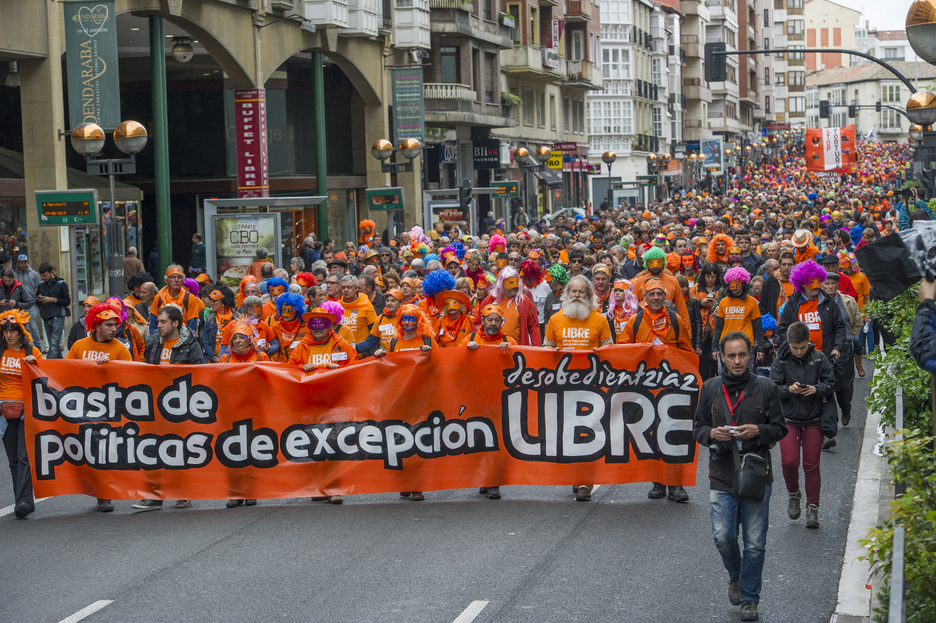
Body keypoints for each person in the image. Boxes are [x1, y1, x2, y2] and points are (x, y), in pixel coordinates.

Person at [693, 331, 787, 622]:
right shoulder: (710, 388)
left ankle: (750, 598)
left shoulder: (766, 386)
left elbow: (780, 428)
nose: (737, 361)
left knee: (755, 543)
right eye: (731, 355)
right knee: (723, 537)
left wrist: (758, 430)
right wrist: (711, 434)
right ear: (722, 357)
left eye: (742, 355)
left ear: (751, 355)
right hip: (722, 473)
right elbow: (697, 428)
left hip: (756, 474)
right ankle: (735, 575)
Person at [618, 278, 693, 503]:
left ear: (665, 296)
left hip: (672, 387)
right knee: (652, 434)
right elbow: (623, 350)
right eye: (652, 294)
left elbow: (687, 351)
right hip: (646, 389)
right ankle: (658, 482)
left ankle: (676, 485)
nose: (656, 298)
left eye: (660, 294)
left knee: (674, 434)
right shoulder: (635, 320)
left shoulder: (676, 320)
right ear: (645, 298)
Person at [133, 304, 204, 511]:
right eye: (158, 322)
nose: (158, 325)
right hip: (156, 405)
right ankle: (155, 497)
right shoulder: (154, 342)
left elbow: (199, 374)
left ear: (175, 323)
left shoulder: (191, 344)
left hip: (182, 405)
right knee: (153, 449)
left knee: (180, 449)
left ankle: (183, 492)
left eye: (163, 322)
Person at [769, 321, 837, 530]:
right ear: (788, 343)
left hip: (814, 419)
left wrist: (816, 389)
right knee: (789, 461)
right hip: (788, 419)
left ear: (809, 342)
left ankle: (813, 507)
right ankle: (793, 493)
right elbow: (772, 388)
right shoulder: (780, 360)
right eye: (794, 347)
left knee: (811, 465)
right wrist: (789, 389)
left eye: (802, 347)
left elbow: (832, 384)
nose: (798, 352)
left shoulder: (819, 358)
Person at [66, 303, 132, 513]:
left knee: (106, 449)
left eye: (115, 325)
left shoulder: (120, 349)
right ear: (96, 326)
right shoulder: (79, 347)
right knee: (90, 451)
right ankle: (98, 492)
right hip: (84, 408)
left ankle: (105, 495)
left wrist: (112, 369)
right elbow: (64, 372)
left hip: (111, 408)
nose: (114, 329)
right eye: (109, 325)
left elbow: (133, 378)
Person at [464, 304, 517, 500]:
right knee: (479, 440)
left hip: (500, 400)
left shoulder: (508, 340)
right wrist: (466, 351)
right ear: (483, 321)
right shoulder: (470, 339)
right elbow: (453, 362)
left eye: (497, 320)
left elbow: (520, 364)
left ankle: (494, 482)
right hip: (476, 399)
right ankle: (484, 478)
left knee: (497, 441)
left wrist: (510, 351)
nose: (493, 324)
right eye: (490, 320)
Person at [0, 309, 42, 518]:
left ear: (20, 332)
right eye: (5, 331)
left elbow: (47, 378)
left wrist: (35, 367)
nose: (9, 335)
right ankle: (23, 500)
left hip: (26, 412)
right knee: (13, 460)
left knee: (24, 456)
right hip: (3, 414)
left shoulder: (31, 351)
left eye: (13, 331)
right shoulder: (1, 352)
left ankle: (24, 501)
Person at [821, 272, 861, 430]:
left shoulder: (848, 302)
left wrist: (849, 338)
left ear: (838, 285)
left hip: (844, 348)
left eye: (833, 284)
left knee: (845, 384)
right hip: (823, 349)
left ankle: (846, 408)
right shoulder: (817, 302)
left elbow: (857, 322)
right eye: (827, 284)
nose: (830, 287)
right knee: (824, 385)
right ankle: (830, 421)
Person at [474, 267, 541, 346]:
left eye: (516, 282)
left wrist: (535, 350)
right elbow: (477, 324)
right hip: (491, 350)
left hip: (516, 352)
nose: (515, 287)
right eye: (510, 283)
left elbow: (534, 328)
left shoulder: (524, 301)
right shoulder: (489, 301)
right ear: (501, 284)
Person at [149, 265, 204, 334]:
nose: (176, 280)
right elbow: (152, 327)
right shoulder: (159, 297)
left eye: (179, 277)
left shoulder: (190, 298)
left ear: (183, 280)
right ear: (166, 280)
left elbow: (192, 328)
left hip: (184, 340)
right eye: (173, 277)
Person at [36, 262, 71, 359]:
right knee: (53, 344)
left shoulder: (61, 284)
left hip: (58, 316)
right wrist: (39, 299)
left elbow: (67, 301)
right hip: (46, 316)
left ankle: (48, 366)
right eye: (42, 276)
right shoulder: (41, 285)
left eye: (46, 275)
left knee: (54, 345)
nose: (44, 277)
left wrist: (52, 299)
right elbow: (37, 302)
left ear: (52, 272)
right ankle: (60, 364)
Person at [13, 254, 43, 352]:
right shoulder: (13, 274)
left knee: (33, 327)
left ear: (27, 262)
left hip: (31, 305)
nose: (23, 264)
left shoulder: (34, 274)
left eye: (25, 262)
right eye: (21, 263)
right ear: (17, 263)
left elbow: (39, 289)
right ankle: (22, 346)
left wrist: (37, 300)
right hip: (18, 306)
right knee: (20, 328)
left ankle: (37, 346)